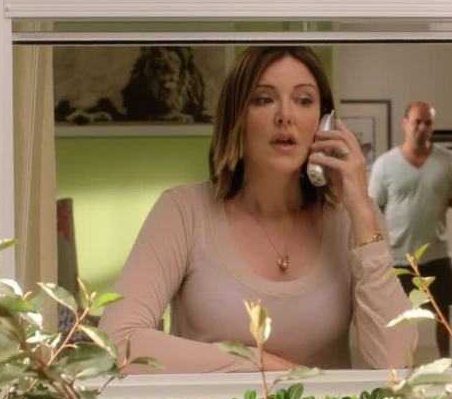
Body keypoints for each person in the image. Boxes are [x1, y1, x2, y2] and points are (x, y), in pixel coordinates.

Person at [100, 46, 417, 373]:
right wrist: (258, 365)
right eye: (264, 99)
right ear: (236, 117)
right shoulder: (183, 212)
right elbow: (119, 343)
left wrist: (362, 211)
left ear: (325, 124)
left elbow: (397, 361)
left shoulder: (355, 218)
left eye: (304, 100)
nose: (285, 116)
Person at [368, 101, 452, 358]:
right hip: (398, 259)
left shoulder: (448, 162)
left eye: (427, 123)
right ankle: (396, 366)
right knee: (396, 321)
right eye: (417, 122)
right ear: (405, 123)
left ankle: (447, 364)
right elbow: (373, 211)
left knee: (446, 316)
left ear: (432, 126)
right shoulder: (385, 164)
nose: (422, 127)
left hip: (436, 254)